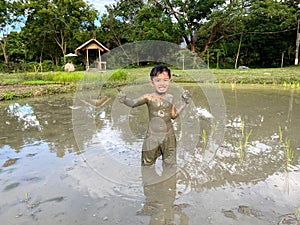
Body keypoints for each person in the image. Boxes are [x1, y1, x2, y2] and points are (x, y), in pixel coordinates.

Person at [118, 65, 191, 167]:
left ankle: (168, 182)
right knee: (147, 164)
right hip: (152, 136)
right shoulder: (148, 97)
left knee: (170, 165)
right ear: (152, 83)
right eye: (158, 80)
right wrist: (125, 100)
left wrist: (184, 104)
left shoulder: (170, 97)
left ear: (169, 81)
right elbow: (133, 103)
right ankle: (148, 182)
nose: (162, 83)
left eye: (165, 80)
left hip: (168, 136)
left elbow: (173, 115)